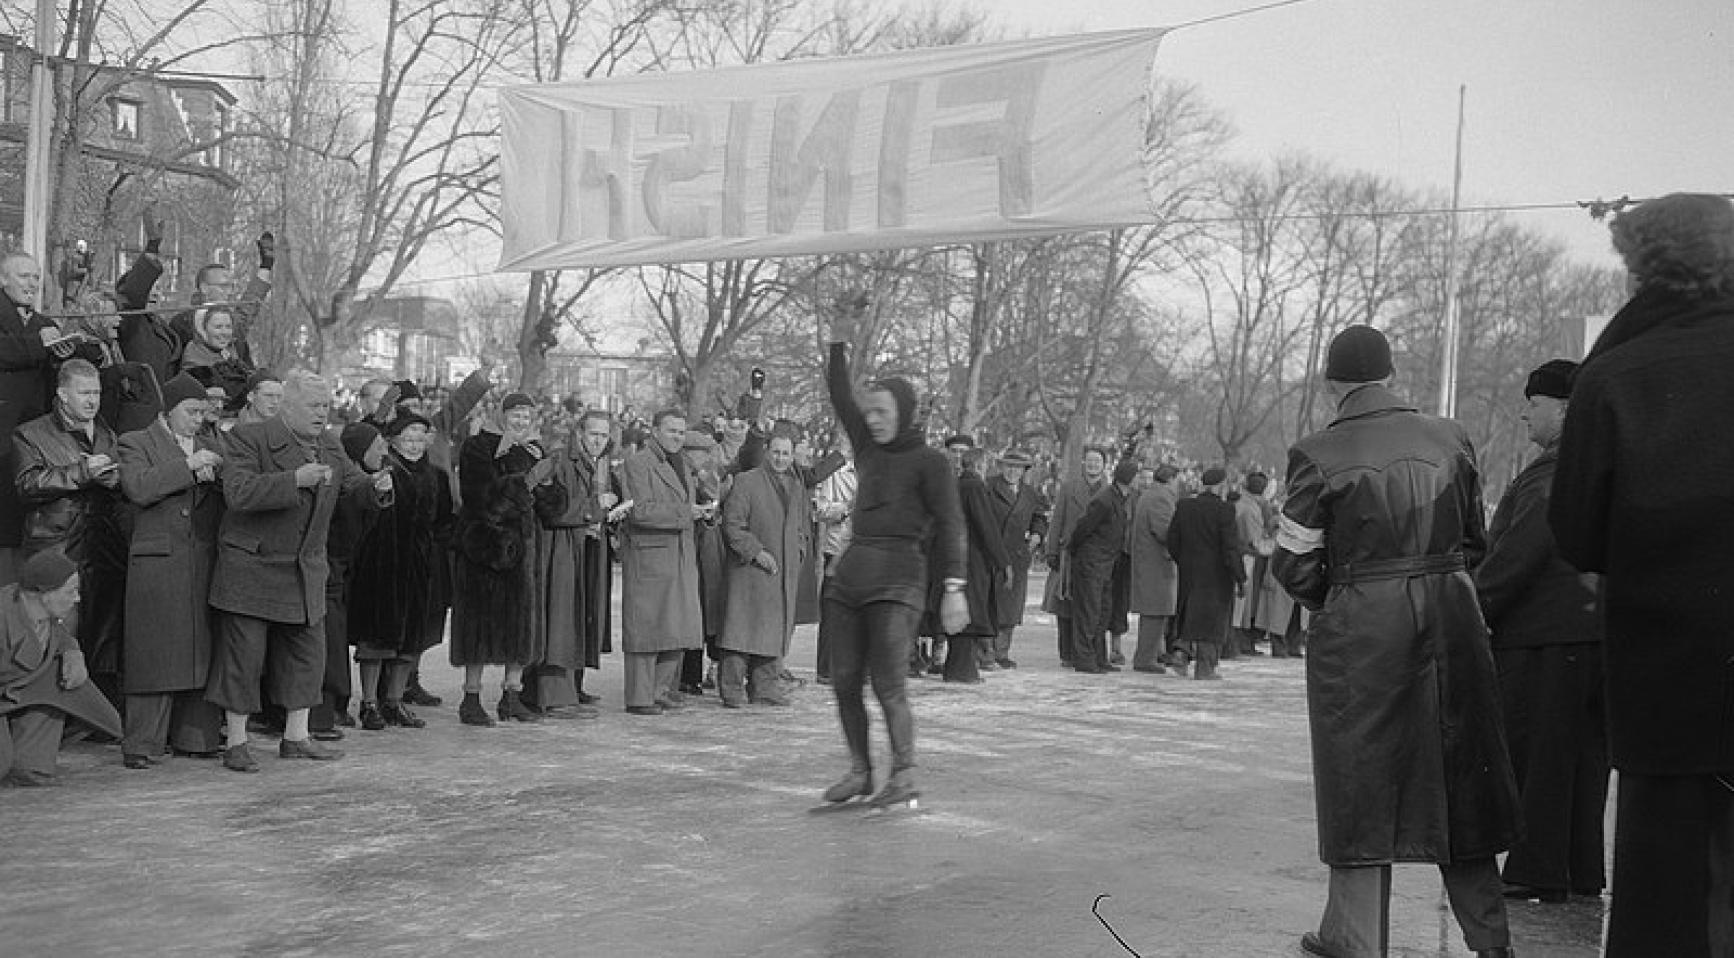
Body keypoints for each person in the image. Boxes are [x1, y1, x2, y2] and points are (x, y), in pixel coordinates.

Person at [1273, 325, 1518, 958]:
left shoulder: (1316, 452)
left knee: (1360, 783)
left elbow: (1293, 563)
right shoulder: (1452, 437)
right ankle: (1491, 942)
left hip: (1362, 627)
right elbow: (1475, 537)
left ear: (1334, 382)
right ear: (1389, 374)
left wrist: (1341, 597)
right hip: (1452, 615)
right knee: (1460, 779)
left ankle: (1355, 940)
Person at [1548, 192, 1734, 958]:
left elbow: (1577, 531)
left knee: (1663, 885)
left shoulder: (1614, 374)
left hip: (1665, 675)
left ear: (1644, 270)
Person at [205, 371, 393, 773]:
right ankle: (236, 742)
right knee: (244, 659)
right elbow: (237, 493)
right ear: (286, 406)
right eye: (312, 406)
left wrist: (376, 486)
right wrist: (293, 480)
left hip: (304, 568)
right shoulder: (247, 438)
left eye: (325, 406)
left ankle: (297, 736)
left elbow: (352, 483)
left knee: (307, 657)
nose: (321, 413)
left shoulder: (328, 443)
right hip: (252, 567)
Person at [819, 297, 966, 806]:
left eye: (883, 412)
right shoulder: (867, 448)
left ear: (904, 413)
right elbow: (839, 391)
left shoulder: (931, 463)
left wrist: (954, 588)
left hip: (900, 578)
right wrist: (839, 337)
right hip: (852, 576)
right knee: (842, 682)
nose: (874, 420)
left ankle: (903, 772)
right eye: (870, 413)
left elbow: (950, 526)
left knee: (888, 683)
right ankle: (861, 770)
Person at [1472, 359, 1607, 905]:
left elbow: (1521, 551)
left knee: (1539, 753)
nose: (1526, 413)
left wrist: (1474, 602)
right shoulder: (1596, 467)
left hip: (1545, 635)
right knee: (1582, 757)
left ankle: (1536, 868)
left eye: (1535, 402)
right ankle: (1579, 868)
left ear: (1565, 408)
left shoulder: (1554, 474)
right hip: (1593, 634)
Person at [115, 373, 227, 767]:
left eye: (202, 412)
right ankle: (142, 743)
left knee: (199, 650)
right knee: (154, 654)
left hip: (201, 560)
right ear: (168, 410)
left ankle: (195, 738)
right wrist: (188, 466)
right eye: (191, 411)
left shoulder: (213, 445)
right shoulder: (135, 441)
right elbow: (138, 487)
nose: (198, 419)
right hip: (157, 561)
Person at [14, 358, 127, 705]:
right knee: (55, 632)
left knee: (103, 633)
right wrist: (81, 472)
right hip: (56, 547)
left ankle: (94, 711)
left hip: (102, 545)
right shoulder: (31, 433)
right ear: (63, 395)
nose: (93, 400)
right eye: (84, 393)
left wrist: (114, 478)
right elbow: (25, 484)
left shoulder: (106, 432)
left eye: (96, 392)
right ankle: (47, 714)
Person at [450, 392, 565, 726]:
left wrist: (545, 487)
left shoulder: (534, 450)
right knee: (479, 624)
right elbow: (480, 498)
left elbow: (552, 506)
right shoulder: (477, 447)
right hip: (486, 548)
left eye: (527, 415)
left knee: (521, 624)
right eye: (515, 414)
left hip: (526, 551)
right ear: (501, 414)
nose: (521, 421)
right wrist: (525, 484)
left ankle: (511, 694)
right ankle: (470, 696)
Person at [347, 410, 452, 730]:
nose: (415, 445)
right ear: (393, 441)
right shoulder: (383, 469)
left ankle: (394, 701)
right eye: (408, 438)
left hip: (419, 564)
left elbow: (444, 521)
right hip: (381, 562)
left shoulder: (436, 476)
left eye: (421, 438)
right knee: (376, 637)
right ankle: (368, 703)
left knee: (411, 638)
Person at [0, 551, 122, 786]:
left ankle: (29, 763)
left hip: (15, 690)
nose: (76, 598)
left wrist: (73, 652)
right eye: (69, 591)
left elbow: (57, 634)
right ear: (43, 594)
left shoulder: (42, 612)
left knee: (58, 684)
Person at [616, 408, 707, 716]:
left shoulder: (681, 463)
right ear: (654, 430)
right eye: (671, 431)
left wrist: (701, 514)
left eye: (681, 432)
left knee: (676, 623)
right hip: (651, 553)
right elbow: (639, 510)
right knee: (647, 626)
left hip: (679, 551)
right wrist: (686, 514)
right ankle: (640, 696)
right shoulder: (638, 462)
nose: (677, 437)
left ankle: (660, 689)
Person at [519, 416, 608, 720]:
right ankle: (553, 697)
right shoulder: (559, 462)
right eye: (594, 434)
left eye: (604, 435)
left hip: (574, 549)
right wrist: (595, 510)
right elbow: (546, 506)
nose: (599, 440)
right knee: (558, 619)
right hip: (557, 551)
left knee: (567, 618)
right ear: (580, 433)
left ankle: (557, 692)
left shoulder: (584, 463)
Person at [717, 431, 810, 706]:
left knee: (774, 628)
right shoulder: (747, 482)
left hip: (784, 570)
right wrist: (755, 552)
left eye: (786, 453)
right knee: (741, 630)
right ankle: (731, 688)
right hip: (750, 570)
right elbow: (732, 524)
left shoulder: (796, 486)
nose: (781, 459)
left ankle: (765, 686)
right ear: (767, 451)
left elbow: (802, 526)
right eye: (776, 452)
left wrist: (799, 551)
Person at [0, 251, 59, 585]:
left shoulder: (45, 325)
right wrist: (41, 346)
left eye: (36, 278)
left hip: (32, 441)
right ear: (3, 279)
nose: (32, 284)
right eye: (24, 276)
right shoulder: (41, 334)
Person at [938, 446, 1008, 683]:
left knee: (960, 612)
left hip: (955, 556)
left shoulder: (956, 485)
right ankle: (962, 669)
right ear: (979, 465)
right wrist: (1002, 560)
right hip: (973, 559)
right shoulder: (974, 487)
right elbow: (986, 526)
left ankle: (957, 666)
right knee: (970, 612)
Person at [1167, 467, 1243, 681]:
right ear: (1220, 485)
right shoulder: (1225, 510)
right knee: (1212, 620)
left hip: (1189, 572)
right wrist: (1239, 576)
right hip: (1217, 576)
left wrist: (1182, 560)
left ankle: (1182, 652)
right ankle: (1205, 667)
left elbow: (1171, 540)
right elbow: (1230, 547)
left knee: (1188, 612)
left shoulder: (1184, 506)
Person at [1065, 458, 1137, 674]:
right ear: (1129, 479)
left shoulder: (1120, 498)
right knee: (1089, 611)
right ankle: (1084, 658)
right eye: (1137, 475)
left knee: (1103, 611)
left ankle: (1099, 656)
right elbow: (1083, 527)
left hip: (1107, 564)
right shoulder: (1105, 500)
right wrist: (1079, 552)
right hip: (1092, 562)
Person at [1042, 446, 1107, 669]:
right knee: (1064, 603)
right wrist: (1051, 550)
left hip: (1097, 556)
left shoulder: (1108, 491)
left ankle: (1091, 651)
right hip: (1068, 554)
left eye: (1097, 461)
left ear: (1104, 465)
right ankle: (1067, 652)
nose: (1093, 465)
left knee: (1091, 606)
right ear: (1083, 463)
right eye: (1089, 461)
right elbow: (1057, 519)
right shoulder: (1069, 488)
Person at [985, 449, 1047, 670]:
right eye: (1008, 466)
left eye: (1017, 468)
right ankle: (986, 652)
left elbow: (1040, 517)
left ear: (1024, 471)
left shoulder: (1030, 493)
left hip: (1018, 555)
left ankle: (1002, 651)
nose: (1012, 471)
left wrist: (1036, 536)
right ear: (1001, 467)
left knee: (1011, 606)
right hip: (992, 553)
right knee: (990, 603)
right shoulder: (988, 487)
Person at [1127, 463, 1180, 674]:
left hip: (1148, 562)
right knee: (1155, 611)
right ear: (1171, 479)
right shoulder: (1161, 498)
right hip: (1156, 564)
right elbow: (1164, 531)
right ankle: (1145, 658)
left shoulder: (1149, 495)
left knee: (1153, 612)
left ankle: (1148, 655)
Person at [812, 435, 856, 684]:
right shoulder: (837, 473)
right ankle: (826, 668)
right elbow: (821, 510)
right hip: (838, 549)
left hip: (867, 550)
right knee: (832, 612)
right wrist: (848, 507)